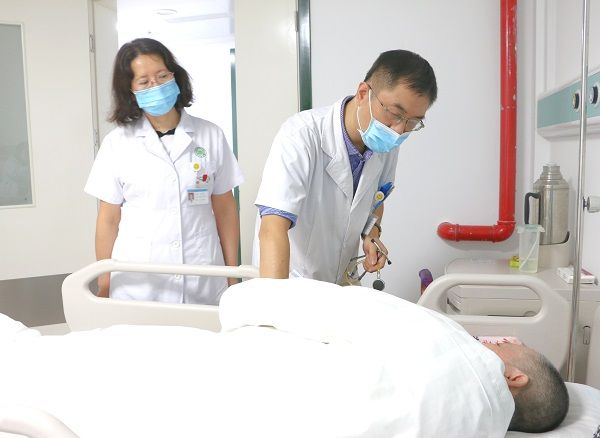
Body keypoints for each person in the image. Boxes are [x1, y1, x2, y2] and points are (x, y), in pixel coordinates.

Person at [0, 278, 569, 437]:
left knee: (97, 364)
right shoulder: (474, 426)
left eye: (507, 343)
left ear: (514, 377)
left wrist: (243, 305)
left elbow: (301, 301)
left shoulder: (451, 348)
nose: (492, 338)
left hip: (232, 387)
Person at [253, 49, 437, 283]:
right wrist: (274, 302)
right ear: (363, 94)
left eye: (413, 122)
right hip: (291, 281)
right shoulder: (300, 135)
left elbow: (377, 199)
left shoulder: (387, 144)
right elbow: (272, 228)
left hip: (341, 281)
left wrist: (371, 233)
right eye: (395, 113)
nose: (399, 130)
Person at [85, 38, 243, 304]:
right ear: (130, 89)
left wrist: (232, 275)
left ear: (175, 76)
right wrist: (105, 283)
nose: (156, 86)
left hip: (202, 276)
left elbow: (226, 209)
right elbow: (108, 219)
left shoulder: (210, 135)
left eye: (162, 76)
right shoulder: (117, 143)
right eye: (144, 81)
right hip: (138, 284)